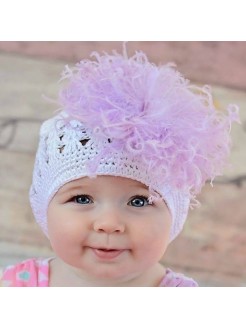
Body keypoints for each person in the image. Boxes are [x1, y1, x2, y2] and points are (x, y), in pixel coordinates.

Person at [0, 47, 239, 287]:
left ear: (175, 216)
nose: (109, 224)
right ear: (44, 206)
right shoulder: (17, 284)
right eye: (82, 198)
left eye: (139, 201)